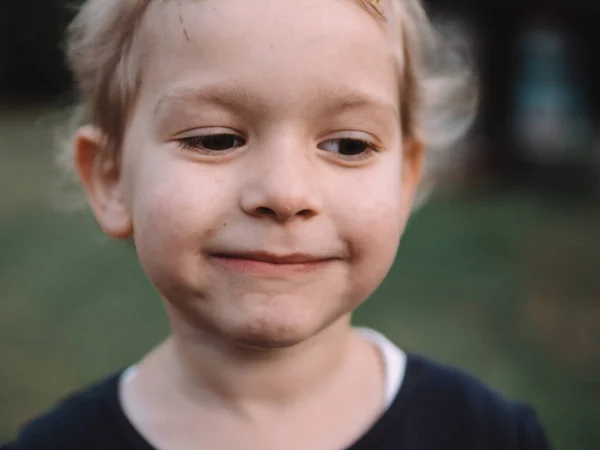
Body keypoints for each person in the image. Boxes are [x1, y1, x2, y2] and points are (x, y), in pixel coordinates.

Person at [3, 0, 550, 449]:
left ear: (405, 180)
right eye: (215, 139)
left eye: (348, 145)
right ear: (112, 179)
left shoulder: (488, 435)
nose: (286, 194)